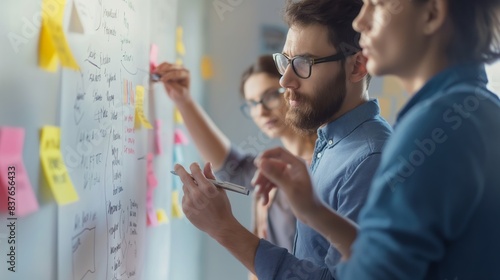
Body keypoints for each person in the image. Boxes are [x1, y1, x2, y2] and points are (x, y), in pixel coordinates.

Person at [254, 0, 500, 279]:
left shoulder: (436, 124)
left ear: (431, 14)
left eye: (378, 4)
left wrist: (227, 231)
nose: (361, 22)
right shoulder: (473, 107)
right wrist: (314, 211)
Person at [174, 0, 392, 278]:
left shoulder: (369, 160)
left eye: (303, 63)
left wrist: (224, 228)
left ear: (357, 66)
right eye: (286, 61)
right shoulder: (331, 145)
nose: (285, 80)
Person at [154, 56, 316, 256]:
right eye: (252, 103)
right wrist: (183, 100)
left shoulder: (322, 166)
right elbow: (232, 168)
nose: (261, 111)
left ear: (291, 89)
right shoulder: (273, 169)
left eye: (271, 96)